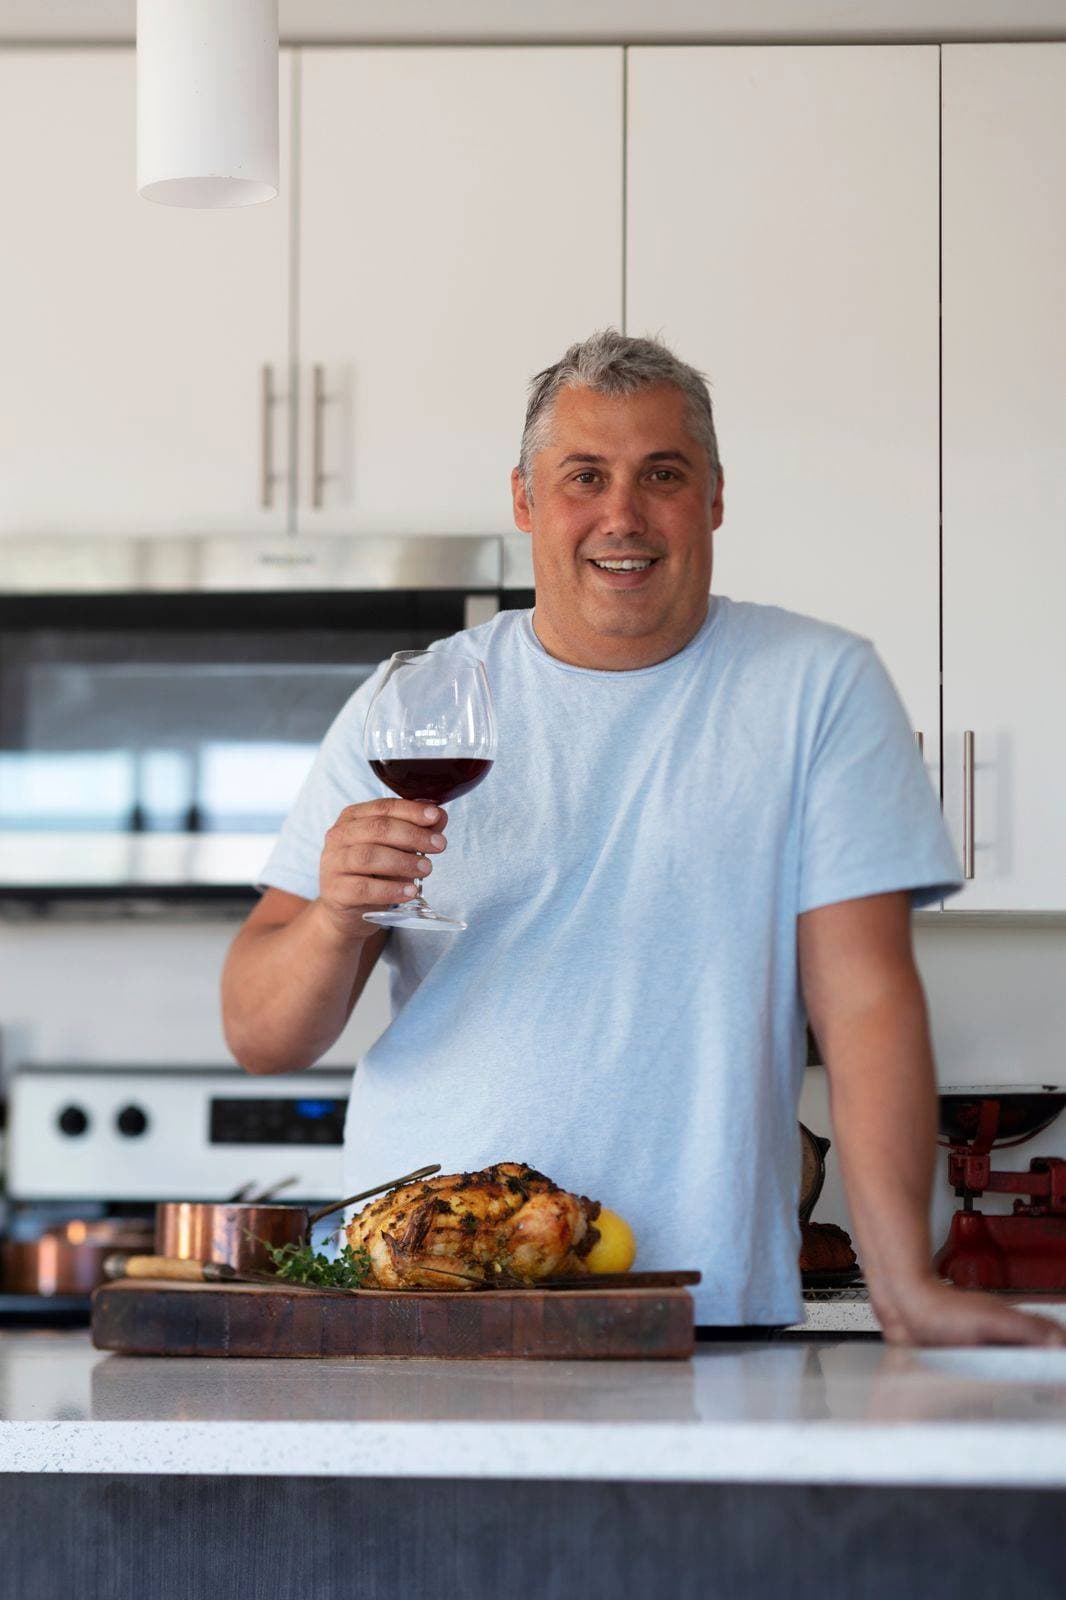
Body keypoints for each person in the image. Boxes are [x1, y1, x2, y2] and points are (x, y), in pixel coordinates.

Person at [221, 329, 1062, 1346]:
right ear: (526, 501)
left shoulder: (815, 688)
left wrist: (902, 1283)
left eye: (660, 474)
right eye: (584, 475)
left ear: (713, 496)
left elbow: (866, 998)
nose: (621, 514)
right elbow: (263, 1035)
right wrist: (335, 918)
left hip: (698, 1296)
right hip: (426, 1294)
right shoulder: (416, 705)